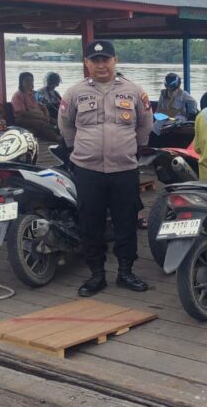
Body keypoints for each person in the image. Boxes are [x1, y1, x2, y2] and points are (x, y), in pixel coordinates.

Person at [58, 40, 153, 297]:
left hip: (124, 169)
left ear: (115, 60)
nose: (101, 65)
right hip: (88, 169)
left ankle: (126, 272)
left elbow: (145, 124)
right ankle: (96, 275)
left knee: (126, 221)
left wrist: (132, 148)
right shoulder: (74, 93)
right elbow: (66, 125)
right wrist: (75, 149)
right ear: (86, 63)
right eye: (95, 60)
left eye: (106, 60)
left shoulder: (134, 91)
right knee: (91, 222)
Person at [12, 72, 60, 142]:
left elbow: (44, 107)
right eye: (27, 81)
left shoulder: (35, 93)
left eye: (31, 80)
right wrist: (41, 117)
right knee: (41, 123)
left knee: (56, 121)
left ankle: (63, 136)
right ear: (21, 82)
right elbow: (22, 113)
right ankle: (57, 139)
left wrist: (47, 116)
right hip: (24, 119)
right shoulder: (18, 95)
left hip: (40, 116)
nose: (29, 83)